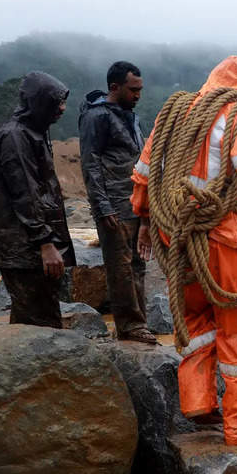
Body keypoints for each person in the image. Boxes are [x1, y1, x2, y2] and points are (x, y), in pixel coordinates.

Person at [131, 56, 237, 446]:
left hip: (177, 236)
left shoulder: (173, 113)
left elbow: (144, 173)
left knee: (197, 321)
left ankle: (198, 405)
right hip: (229, 239)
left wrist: (144, 221)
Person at [0, 71, 76, 328]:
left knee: (35, 317)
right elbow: (25, 193)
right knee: (39, 321)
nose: (62, 108)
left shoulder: (34, 131)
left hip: (30, 245)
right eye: (55, 101)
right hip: (24, 248)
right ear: (37, 101)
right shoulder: (15, 136)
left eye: (62, 101)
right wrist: (45, 243)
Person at [79, 60, 155, 343]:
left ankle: (139, 323)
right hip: (113, 204)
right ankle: (129, 326)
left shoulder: (129, 116)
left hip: (134, 202)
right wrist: (102, 206)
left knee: (137, 263)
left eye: (140, 90)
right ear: (115, 87)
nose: (138, 95)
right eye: (133, 89)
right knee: (120, 267)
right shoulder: (96, 117)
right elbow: (91, 163)